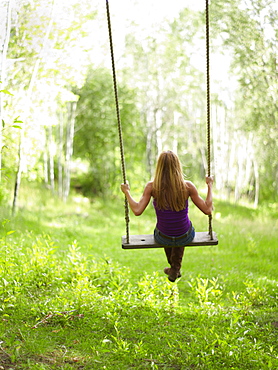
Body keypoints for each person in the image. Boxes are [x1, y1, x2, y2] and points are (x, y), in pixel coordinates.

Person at [121, 150, 213, 282]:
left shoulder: (152, 187)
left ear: (159, 168)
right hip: (185, 236)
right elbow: (207, 209)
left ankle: (174, 268)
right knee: (180, 232)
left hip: (162, 237)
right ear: (178, 166)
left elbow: (137, 210)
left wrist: (127, 192)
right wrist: (210, 185)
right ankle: (175, 268)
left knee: (167, 233)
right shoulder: (187, 186)